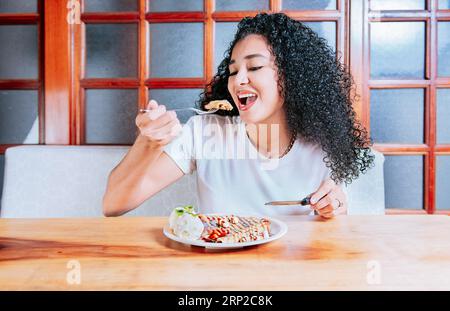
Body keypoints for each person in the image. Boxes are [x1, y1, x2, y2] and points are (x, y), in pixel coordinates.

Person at [103, 13, 374, 218]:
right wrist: (147, 142)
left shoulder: (326, 145)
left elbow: (349, 232)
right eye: (233, 71)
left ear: (292, 78)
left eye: (254, 67)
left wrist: (335, 208)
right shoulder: (204, 131)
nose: (239, 80)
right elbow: (113, 204)